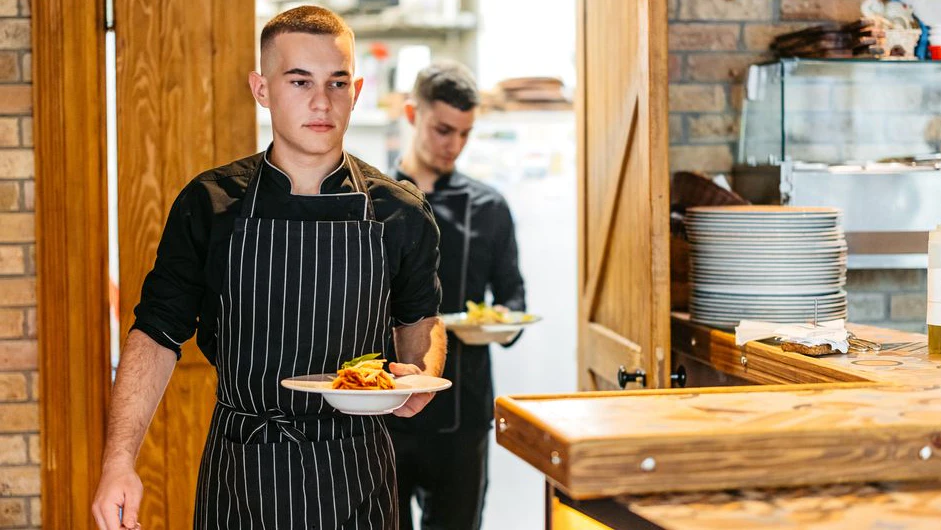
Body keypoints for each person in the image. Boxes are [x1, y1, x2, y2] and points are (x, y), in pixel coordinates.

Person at [91, 6, 447, 529]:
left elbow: (421, 318)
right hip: (244, 470)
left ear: (357, 89)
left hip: (355, 473)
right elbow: (157, 332)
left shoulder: (400, 212)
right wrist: (119, 460)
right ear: (261, 89)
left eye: (337, 82)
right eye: (299, 81)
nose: (321, 101)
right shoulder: (209, 204)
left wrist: (421, 374)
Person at [388, 61, 526, 530]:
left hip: (463, 418)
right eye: (444, 130)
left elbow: (514, 300)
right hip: (384, 414)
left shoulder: (491, 208)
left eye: (465, 133)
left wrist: (504, 321)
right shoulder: (370, 202)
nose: (455, 146)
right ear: (412, 113)